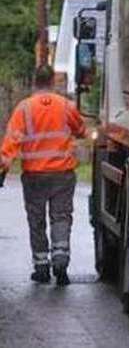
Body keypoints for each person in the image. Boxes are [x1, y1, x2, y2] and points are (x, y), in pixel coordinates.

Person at [0, 65, 86, 286]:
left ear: (34, 82)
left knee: (36, 220)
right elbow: (81, 129)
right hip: (62, 174)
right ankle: (61, 260)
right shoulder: (66, 106)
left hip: (34, 176)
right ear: (52, 82)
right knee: (61, 217)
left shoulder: (24, 109)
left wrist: (3, 169)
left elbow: (12, 142)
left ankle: (41, 267)